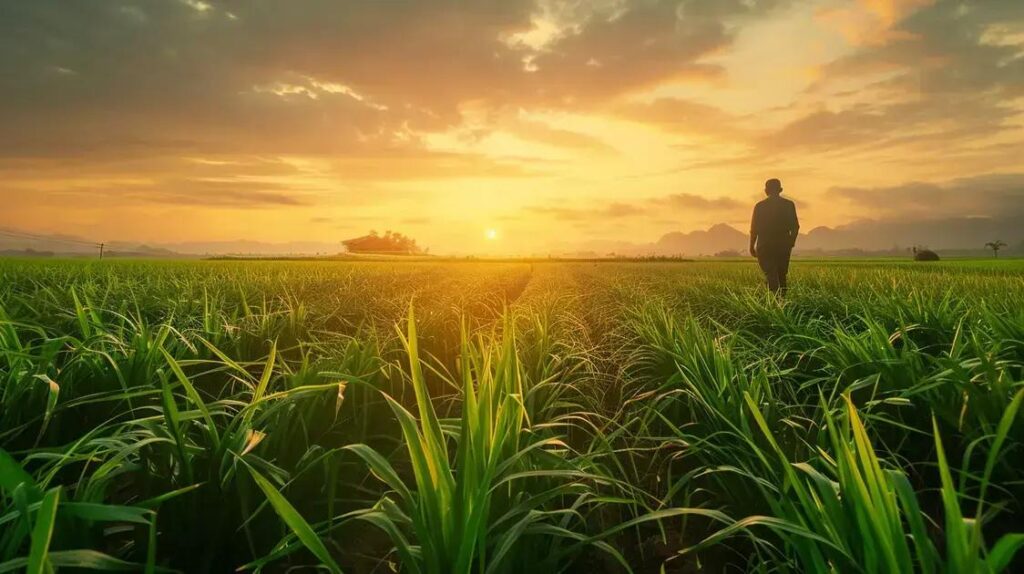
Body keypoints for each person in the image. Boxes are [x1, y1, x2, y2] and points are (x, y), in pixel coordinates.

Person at [749, 178, 799, 294]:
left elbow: (754, 229)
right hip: (783, 245)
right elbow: (795, 227)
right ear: (780, 190)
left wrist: (752, 246)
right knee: (781, 274)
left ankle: (774, 299)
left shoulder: (760, 206)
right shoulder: (789, 205)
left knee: (770, 272)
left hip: (765, 245)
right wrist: (791, 243)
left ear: (766, 190)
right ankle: (782, 301)